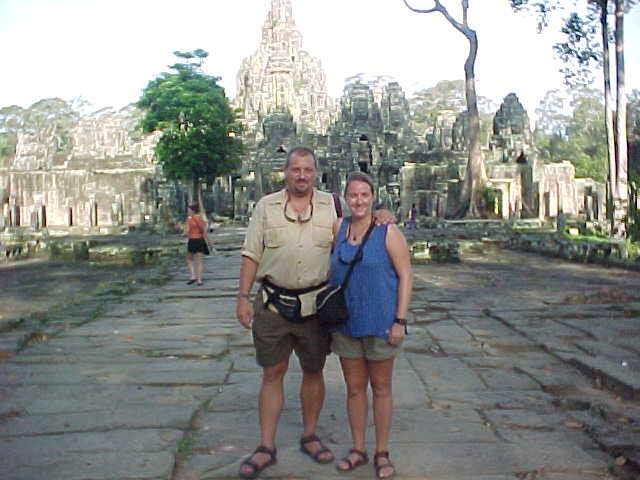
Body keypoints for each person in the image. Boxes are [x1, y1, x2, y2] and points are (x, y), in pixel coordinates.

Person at [236, 147, 393, 479]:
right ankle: (266, 445)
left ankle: (310, 434)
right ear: (285, 172)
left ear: (316, 172)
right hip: (273, 303)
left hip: (315, 306)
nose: (302, 175)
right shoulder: (266, 207)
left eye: (308, 169)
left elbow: (358, 225)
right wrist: (242, 297)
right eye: (295, 170)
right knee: (272, 372)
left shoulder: (331, 207)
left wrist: (382, 215)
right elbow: (251, 254)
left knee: (313, 370)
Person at [329, 172, 413, 480]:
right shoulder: (338, 227)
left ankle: (381, 451)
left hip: (381, 323)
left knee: (381, 389)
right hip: (345, 323)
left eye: (365, 195)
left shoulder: (387, 231)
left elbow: (406, 275)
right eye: (353, 195)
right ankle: (358, 448)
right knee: (353, 390)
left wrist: (400, 320)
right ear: (345, 199)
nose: (359, 201)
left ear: (373, 198)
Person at [184, 203, 210, 286]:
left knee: (189, 259)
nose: (188, 212)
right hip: (200, 240)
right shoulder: (200, 219)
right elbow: (204, 230)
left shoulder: (189, 220)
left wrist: (184, 234)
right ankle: (199, 280)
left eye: (189, 210)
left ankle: (192, 276)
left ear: (193, 211)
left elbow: (187, 231)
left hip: (192, 240)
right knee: (199, 261)